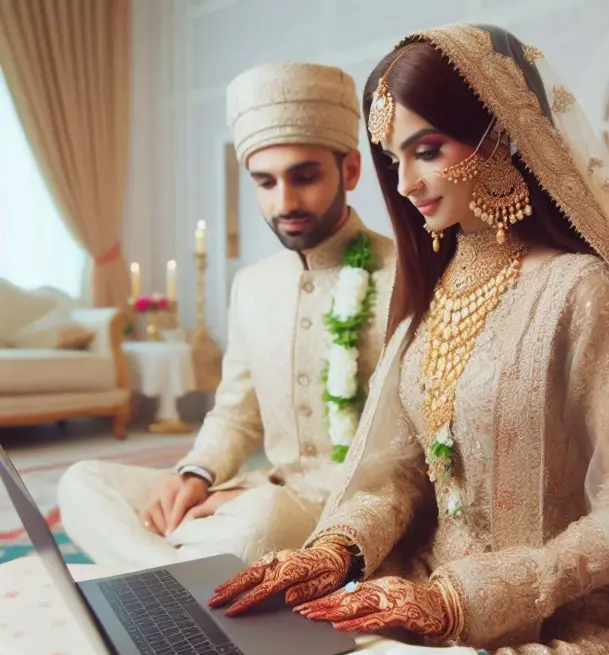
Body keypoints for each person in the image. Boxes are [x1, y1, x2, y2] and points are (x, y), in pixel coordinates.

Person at [204, 25, 609, 655]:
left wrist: (472, 597)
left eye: (428, 149)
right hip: (418, 595)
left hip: (558, 629)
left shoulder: (577, 289)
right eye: (394, 158)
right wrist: (342, 550)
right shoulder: (431, 293)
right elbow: (402, 473)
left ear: (502, 135)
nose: (404, 184)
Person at [57, 61, 396, 569]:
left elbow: (398, 451)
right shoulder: (252, 286)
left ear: (349, 169)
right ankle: (181, 575)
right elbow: (236, 412)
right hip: (264, 489)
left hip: (343, 507)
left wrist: (237, 505)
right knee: (82, 483)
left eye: (304, 177)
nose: (284, 202)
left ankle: (159, 569)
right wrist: (195, 476)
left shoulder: (402, 275)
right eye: (265, 182)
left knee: (256, 528)